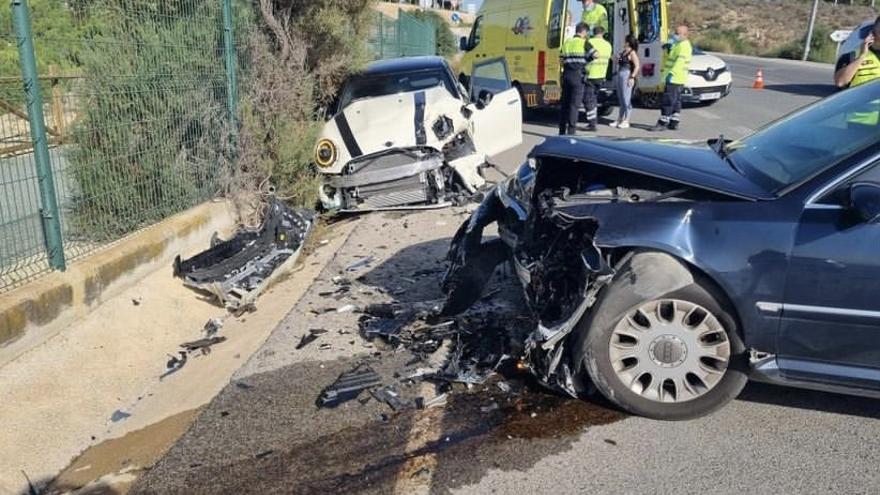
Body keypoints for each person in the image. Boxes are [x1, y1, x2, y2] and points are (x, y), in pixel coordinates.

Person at [650, 25, 692, 131]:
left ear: (685, 35)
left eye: (678, 33)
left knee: (668, 100)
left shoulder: (683, 46)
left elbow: (679, 62)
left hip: (674, 77)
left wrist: (671, 74)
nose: (675, 35)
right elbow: (670, 58)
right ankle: (674, 122)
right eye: (675, 32)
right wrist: (667, 49)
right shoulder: (679, 44)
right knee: (676, 101)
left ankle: (663, 122)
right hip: (679, 78)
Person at [559, 23, 589, 135]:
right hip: (578, 76)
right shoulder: (584, 43)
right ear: (584, 32)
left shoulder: (567, 43)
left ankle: (561, 131)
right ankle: (571, 132)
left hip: (566, 75)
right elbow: (596, 54)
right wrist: (585, 60)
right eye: (586, 33)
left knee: (565, 105)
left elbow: (561, 60)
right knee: (574, 105)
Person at [582, 25, 612, 131]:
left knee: (587, 100)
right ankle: (593, 120)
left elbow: (584, 56)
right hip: (601, 76)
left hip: (590, 75)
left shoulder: (590, 42)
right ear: (603, 33)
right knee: (593, 99)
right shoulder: (608, 45)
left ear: (592, 32)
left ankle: (592, 123)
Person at [611, 34, 640, 129]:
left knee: (626, 98)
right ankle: (620, 118)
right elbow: (617, 61)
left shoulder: (632, 53)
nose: (624, 42)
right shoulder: (624, 52)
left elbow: (637, 66)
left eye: (625, 41)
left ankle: (626, 120)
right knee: (621, 97)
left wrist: (632, 77)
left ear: (628, 42)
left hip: (627, 74)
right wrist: (615, 58)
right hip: (620, 73)